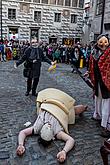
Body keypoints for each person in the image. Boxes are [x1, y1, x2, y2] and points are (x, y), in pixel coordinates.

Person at [16, 88, 88, 163]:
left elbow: (22, 132)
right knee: (77, 110)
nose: (48, 125)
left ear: (41, 132)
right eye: (49, 128)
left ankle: (83, 108)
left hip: (50, 101)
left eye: (46, 126)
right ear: (52, 137)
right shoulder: (57, 133)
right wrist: (64, 151)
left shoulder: (37, 128)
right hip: (62, 106)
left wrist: (21, 144)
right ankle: (84, 108)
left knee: (74, 110)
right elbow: (71, 140)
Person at [84, 34, 110, 137]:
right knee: (98, 99)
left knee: (107, 104)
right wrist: (89, 73)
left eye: (105, 42)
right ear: (97, 42)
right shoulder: (94, 53)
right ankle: (97, 115)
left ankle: (105, 126)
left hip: (107, 82)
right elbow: (92, 66)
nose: (103, 44)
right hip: (97, 81)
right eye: (101, 42)